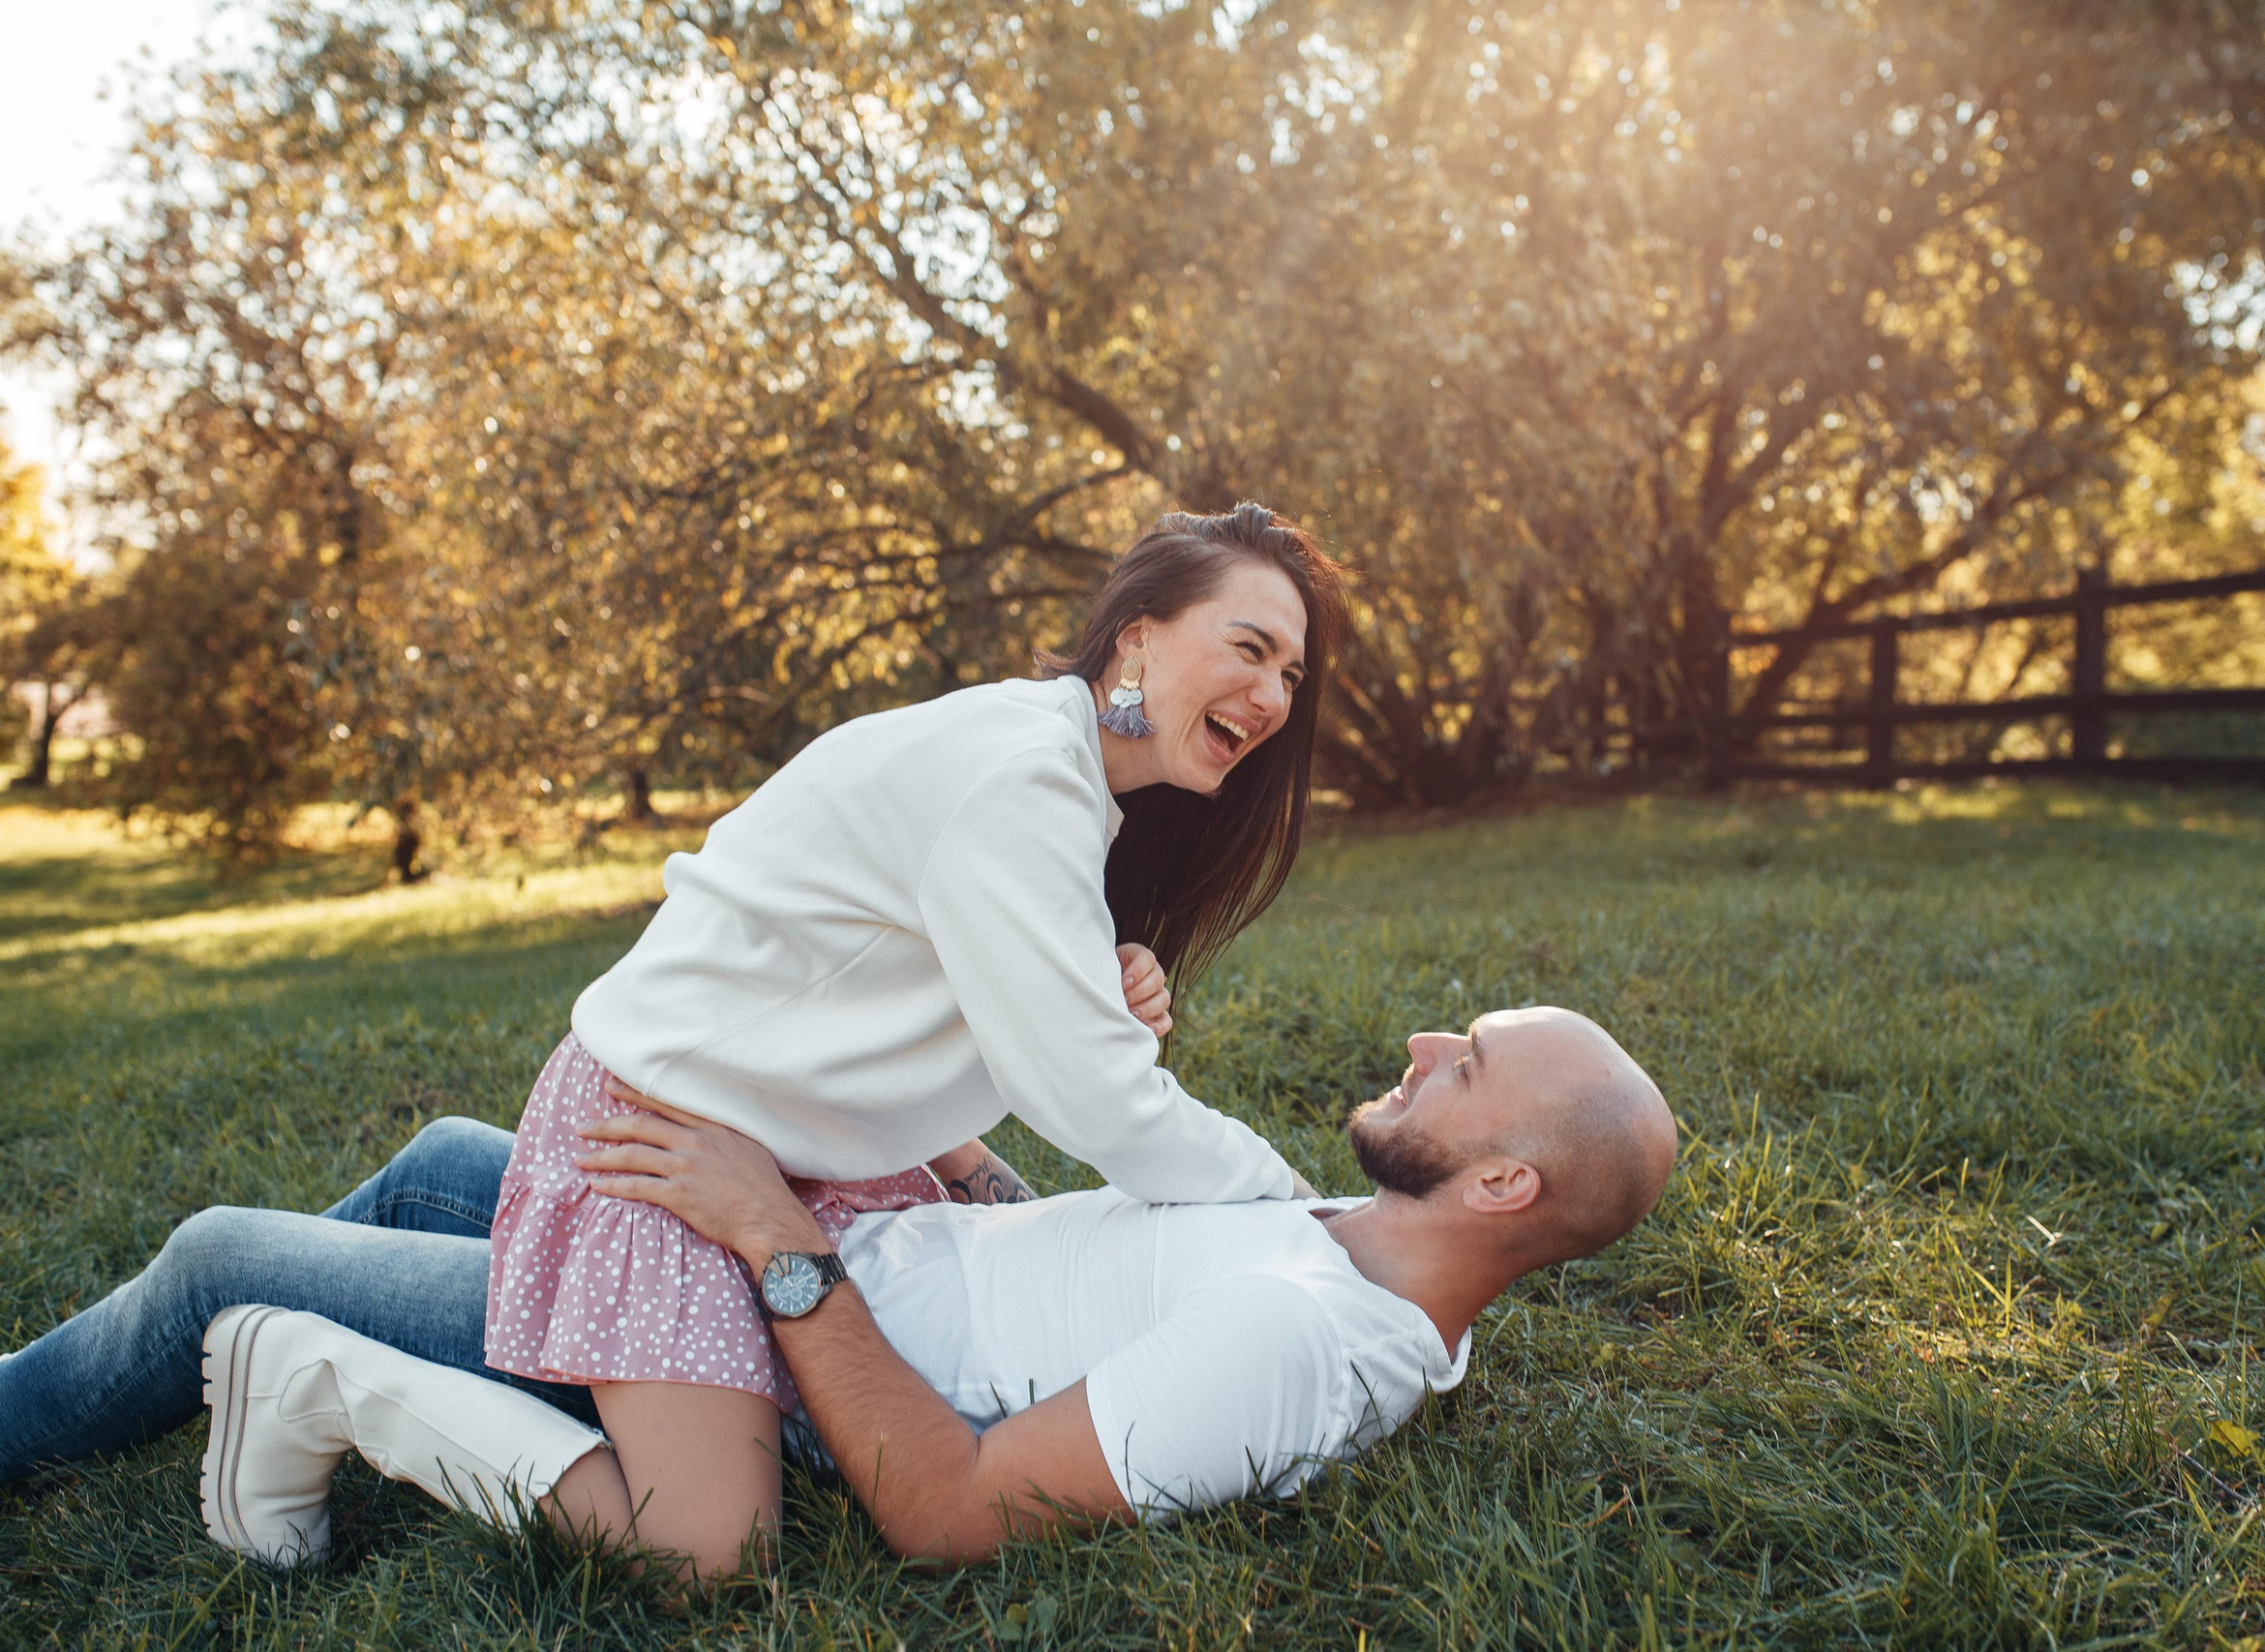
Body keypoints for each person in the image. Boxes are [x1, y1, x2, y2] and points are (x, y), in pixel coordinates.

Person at [470, 502, 1348, 1565]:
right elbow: (1098, 1104)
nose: (1271, 697)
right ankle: (305, 1356)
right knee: (704, 1553)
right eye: (1249, 648)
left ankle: (451, 1182)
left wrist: (1087, 988)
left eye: (1291, 676)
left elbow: (921, 996)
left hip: (795, 1151)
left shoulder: (1066, 776)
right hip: (668, 1142)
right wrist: (1300, 1202)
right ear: (1137, 639)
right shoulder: (1025, 776)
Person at [183, 1007, 1675, 1577]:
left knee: (226, 1261)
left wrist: (774, 1237)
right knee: (461, 1162)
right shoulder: (1332, 1225)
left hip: (761, 1307)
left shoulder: (1302, 1341)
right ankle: (245, 1364)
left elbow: (951, 1508)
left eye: (1466, 1062)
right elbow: (1066, 1271)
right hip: (850, 1231)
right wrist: (964, 1167)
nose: (1424, 1036)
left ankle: (279, 1358)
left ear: (1502, 1188)